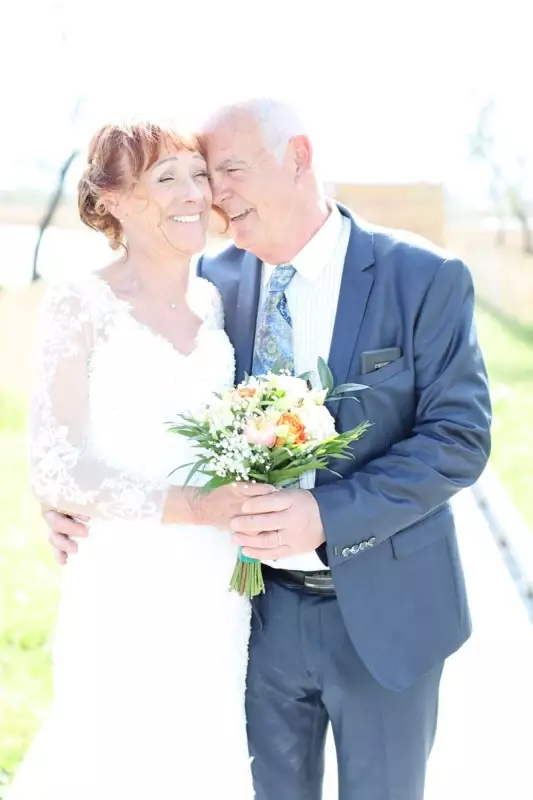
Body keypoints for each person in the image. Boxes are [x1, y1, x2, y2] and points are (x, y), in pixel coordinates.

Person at [45, 99, 491, 800]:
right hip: (251, 613)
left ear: (298, 157)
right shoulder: (213, 286)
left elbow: (457, 438)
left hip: (386, 612)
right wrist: (65, 496)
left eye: (225, 170)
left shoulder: (422, 276)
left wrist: (325, 514)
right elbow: (121, 420)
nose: (211, 195)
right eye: (194, 176)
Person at [6, 119, 276, 800]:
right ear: (115, 199)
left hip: (216, 583)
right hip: (126, 580)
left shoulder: (214, 299)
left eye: (197, 173)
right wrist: (195, 507)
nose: (193, 192)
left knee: (201, 756)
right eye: (166, 178)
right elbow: (58, 467)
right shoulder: (81, 302)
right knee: (111, 753)